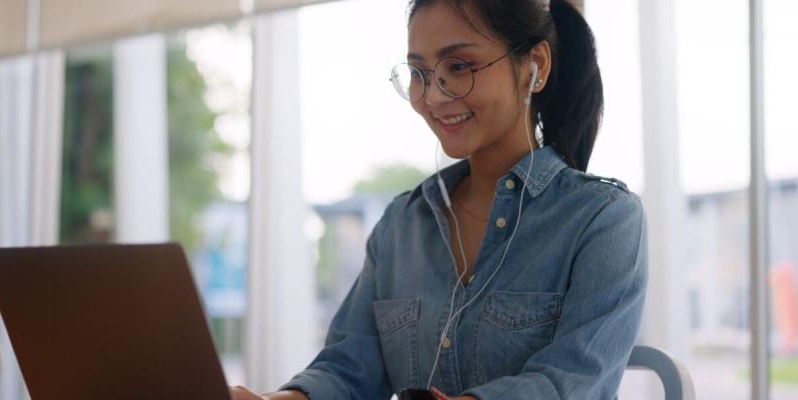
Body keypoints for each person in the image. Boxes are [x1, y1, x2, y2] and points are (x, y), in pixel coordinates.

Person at [231, 0, 646, 398]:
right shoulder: (401, 225)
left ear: (534, 67)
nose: (433, 96)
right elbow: (348, 371)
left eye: (459, 66)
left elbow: (570, 385)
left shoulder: (602, 220)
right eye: (419, 72)